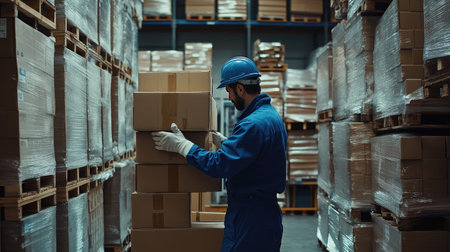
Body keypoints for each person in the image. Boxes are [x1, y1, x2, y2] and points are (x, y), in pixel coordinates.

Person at [152, 56, 287, 252]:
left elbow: (220, 165)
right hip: (262, 213)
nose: (230, 98)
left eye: (229, 91)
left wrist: (182, 147)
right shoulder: (270, 116)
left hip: (251, 216)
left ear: (240, 89)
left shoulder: (253, 125)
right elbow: (259, 157)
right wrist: (229, 144)